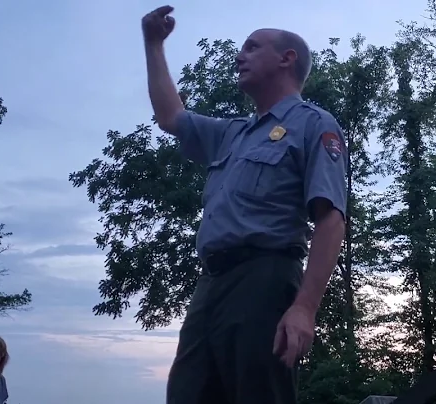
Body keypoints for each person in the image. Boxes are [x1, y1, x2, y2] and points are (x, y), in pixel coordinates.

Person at [141, 5, 347, 404]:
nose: (240, 56)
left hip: (264, 280)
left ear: (287, 59)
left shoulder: (313, 123)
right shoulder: (233, 134)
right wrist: (153, 44)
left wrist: (305, 308)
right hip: (210, 287)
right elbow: (171, 116)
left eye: (252, 47)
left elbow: (330, 219)